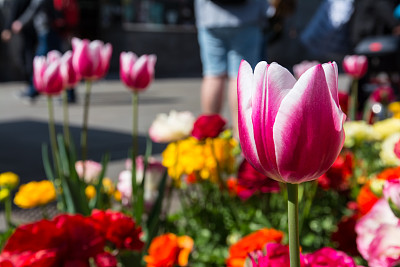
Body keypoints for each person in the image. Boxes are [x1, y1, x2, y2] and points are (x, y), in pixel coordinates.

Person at [194, 0, 268, 137]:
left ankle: (210, 136)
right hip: (247, 16)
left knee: (213, 75)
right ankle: (240, 137)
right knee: (240, 77)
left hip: (209, 16)